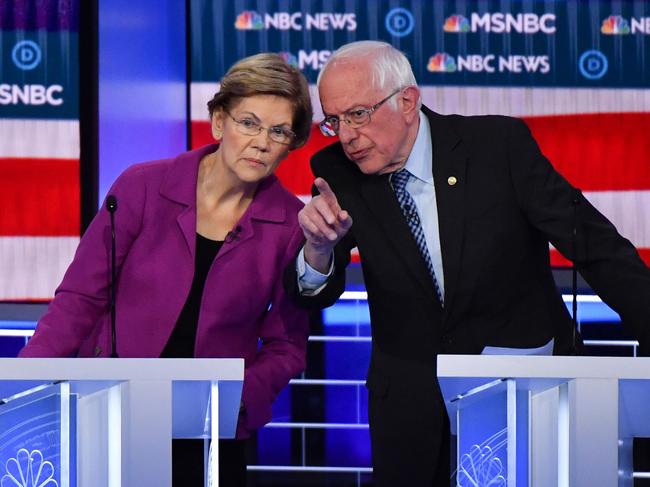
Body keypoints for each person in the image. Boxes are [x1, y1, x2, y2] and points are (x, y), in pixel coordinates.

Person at [283, 40, 650, 486]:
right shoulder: (336, 170)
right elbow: (316, 291)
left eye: (358, 115)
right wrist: (318, 250)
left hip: (523, 393)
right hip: (412, 414)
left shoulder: (497, 146)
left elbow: (596, 246)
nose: (346, 136)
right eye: (334, 121)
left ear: (407, 101)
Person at [20, 53, 313, 486]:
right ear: (218, 122)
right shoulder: (142, 186)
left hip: (212, 432)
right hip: (113, 409)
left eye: (278, 131)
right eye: (248, 123)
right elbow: (81, 299)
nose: (261, 142)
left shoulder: (291, 223)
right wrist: (24, 389)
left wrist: (240, 400)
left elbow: (286, 346)